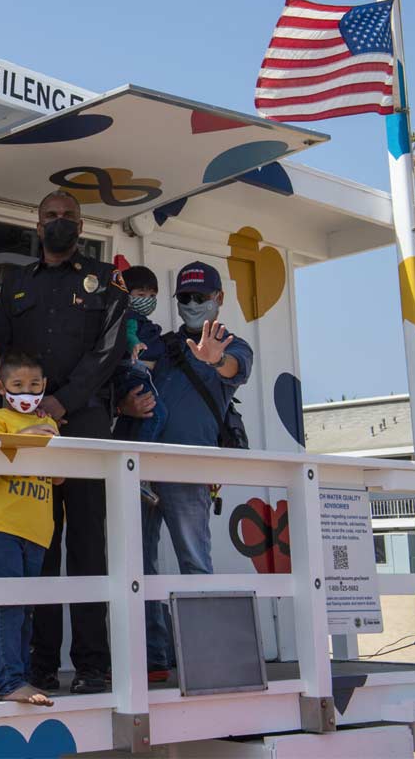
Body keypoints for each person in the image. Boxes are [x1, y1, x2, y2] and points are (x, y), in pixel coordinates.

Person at [0, 190, 128, 695]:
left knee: (88, 545)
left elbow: (108, 352)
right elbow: (2, 350)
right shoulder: (17, 283)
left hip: (85, 425)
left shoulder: (104, 283)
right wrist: (18, 410)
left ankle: (92, 665)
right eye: (51, 216)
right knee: (39, 546)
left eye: (68, 217)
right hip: (27, 429)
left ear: (81, 224)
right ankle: (41, 664)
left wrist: (62, 401)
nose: (59, 223)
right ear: (37, 221)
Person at [117, 261, 253, 681]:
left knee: (194, 563)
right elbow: (124, 374)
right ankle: (155, 660)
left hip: (189, 472)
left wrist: (215, 361)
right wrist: (123, 405)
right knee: (139, 568)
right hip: (139, 467)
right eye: (185, 298)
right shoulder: (161, 342)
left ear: (219, 299)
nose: (192, 304)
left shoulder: (235, 345)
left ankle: (207, 661)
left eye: (200, 297)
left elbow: (235, 368)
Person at [0, 351, 62, 706]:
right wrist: (30, 435)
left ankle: (21, 677)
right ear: (2, 387)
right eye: (18, 386)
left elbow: (58, 477)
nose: (27, 392)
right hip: (1, 523)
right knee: (9, 604)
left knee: (26, 607)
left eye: (35, 386)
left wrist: (46, 435)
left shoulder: (50, 424)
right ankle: (9, 681)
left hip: (38, 527)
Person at [112, 265, 168, 443]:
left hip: (142, 376)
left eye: (152, 296)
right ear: (125, 295)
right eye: (141, 295)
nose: (148, 300)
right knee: (157, 414)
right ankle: (142, 452)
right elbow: (128, 333)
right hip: (133, 374)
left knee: (137, 418)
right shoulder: (128, 317)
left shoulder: (144, 322)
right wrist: (134, 344)